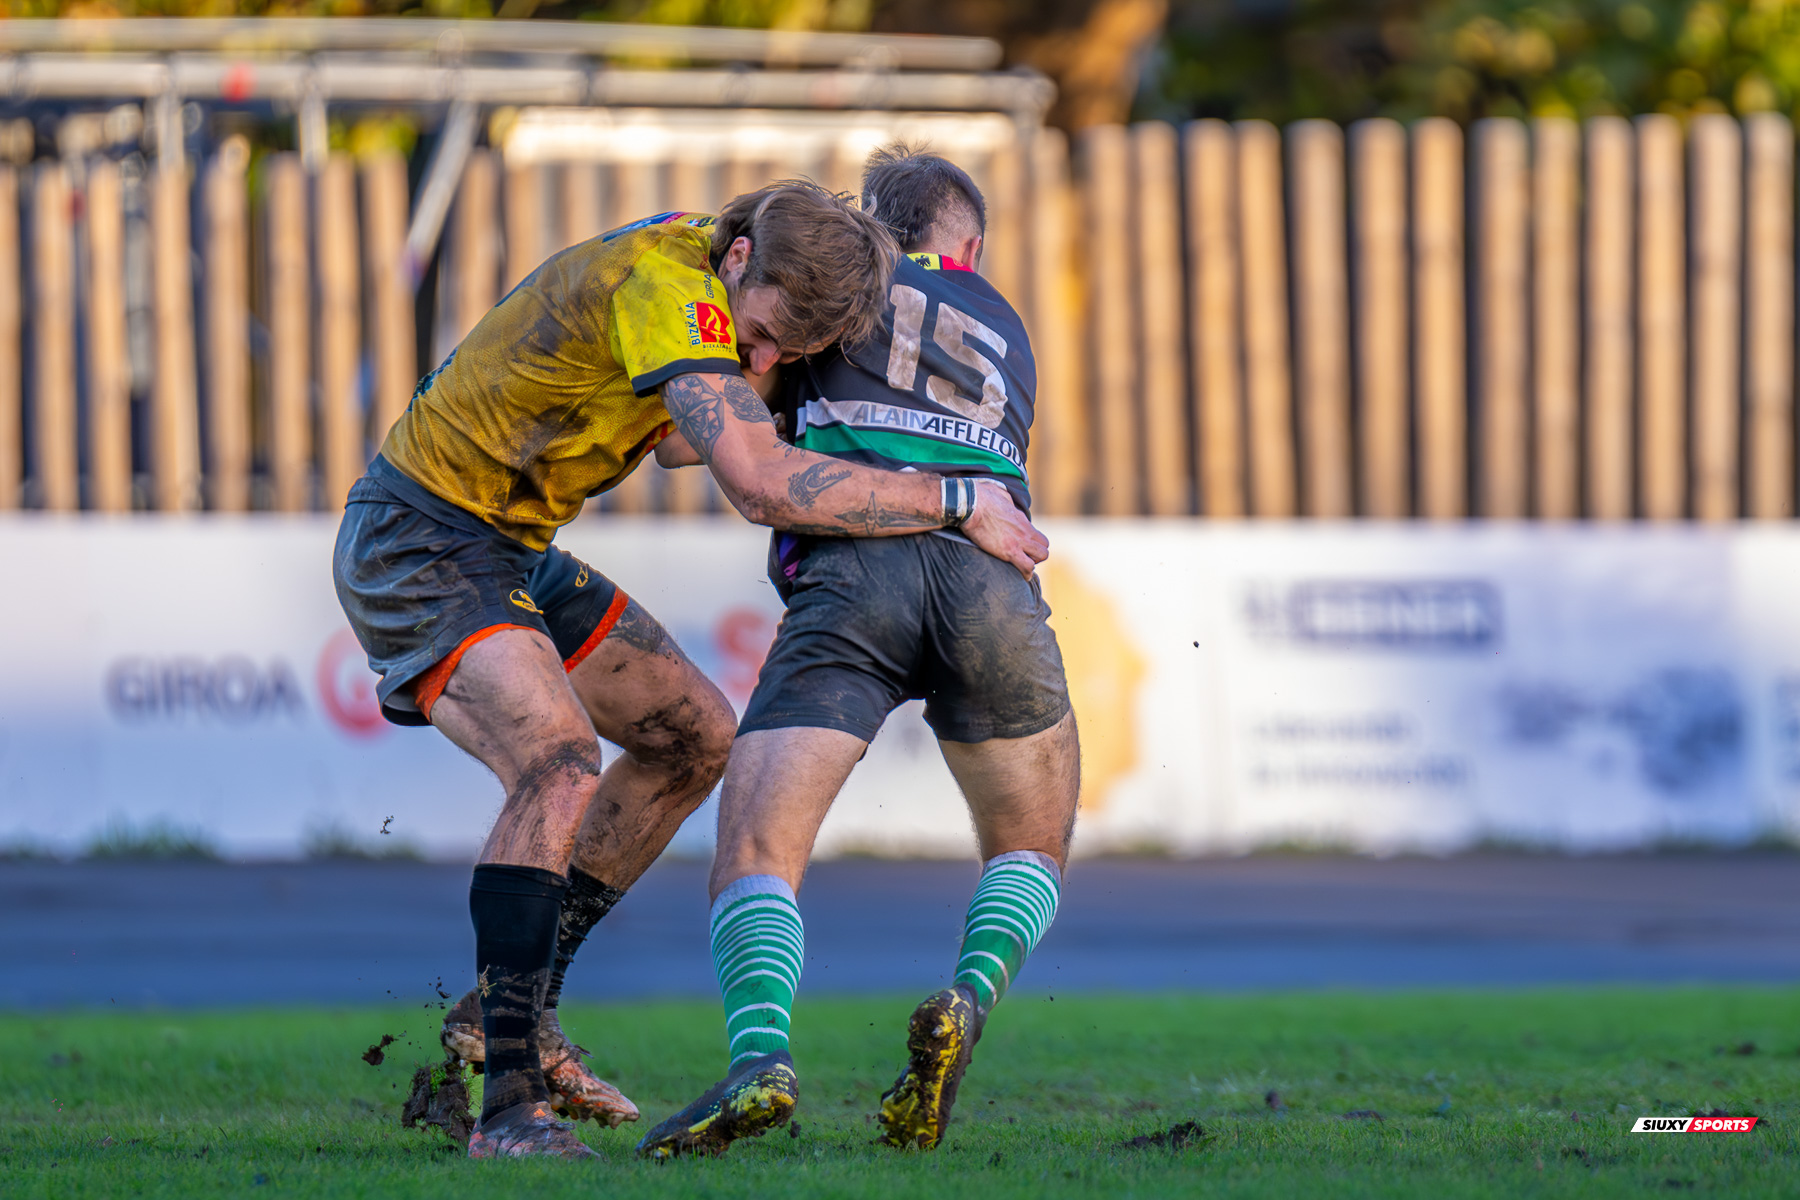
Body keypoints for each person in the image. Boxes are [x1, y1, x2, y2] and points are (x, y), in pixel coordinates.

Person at [331, 180, 1049, 1160]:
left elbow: (680, 441)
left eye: (786, 352)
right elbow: (757, 483)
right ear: (740, 258)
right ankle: (509, 1109)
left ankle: (507, 1013)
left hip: (509, 547)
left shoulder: (716, 275)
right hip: (420, 538)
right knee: (558, 761)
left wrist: (772, 380)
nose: (766, 361)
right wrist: (957, 497)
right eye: (766, 337)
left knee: (696, 739)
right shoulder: (668, 286)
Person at [635, 149, 1079, 1160]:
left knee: (758, 851)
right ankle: (969, 996)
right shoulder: (1008, 326)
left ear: (868, 232)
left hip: (855, 577)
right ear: (970, 246)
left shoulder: (839, 290)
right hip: (992, 581)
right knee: (1032, 843)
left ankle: (761, 1058)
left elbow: (683, 441)